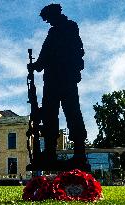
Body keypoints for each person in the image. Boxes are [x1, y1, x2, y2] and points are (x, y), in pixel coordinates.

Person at [28, 4, 87, 165]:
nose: (48, 22)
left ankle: (79, 153)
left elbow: (77, 50)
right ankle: (49, 152)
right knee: (49, 115)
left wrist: (75, 70)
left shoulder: (70, 27)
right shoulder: (53, 31)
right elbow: (44, 56)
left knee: (72, 113)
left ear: (55, 15)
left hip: (66, 78)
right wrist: (35, 65)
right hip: (52, 80)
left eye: (48, 19)